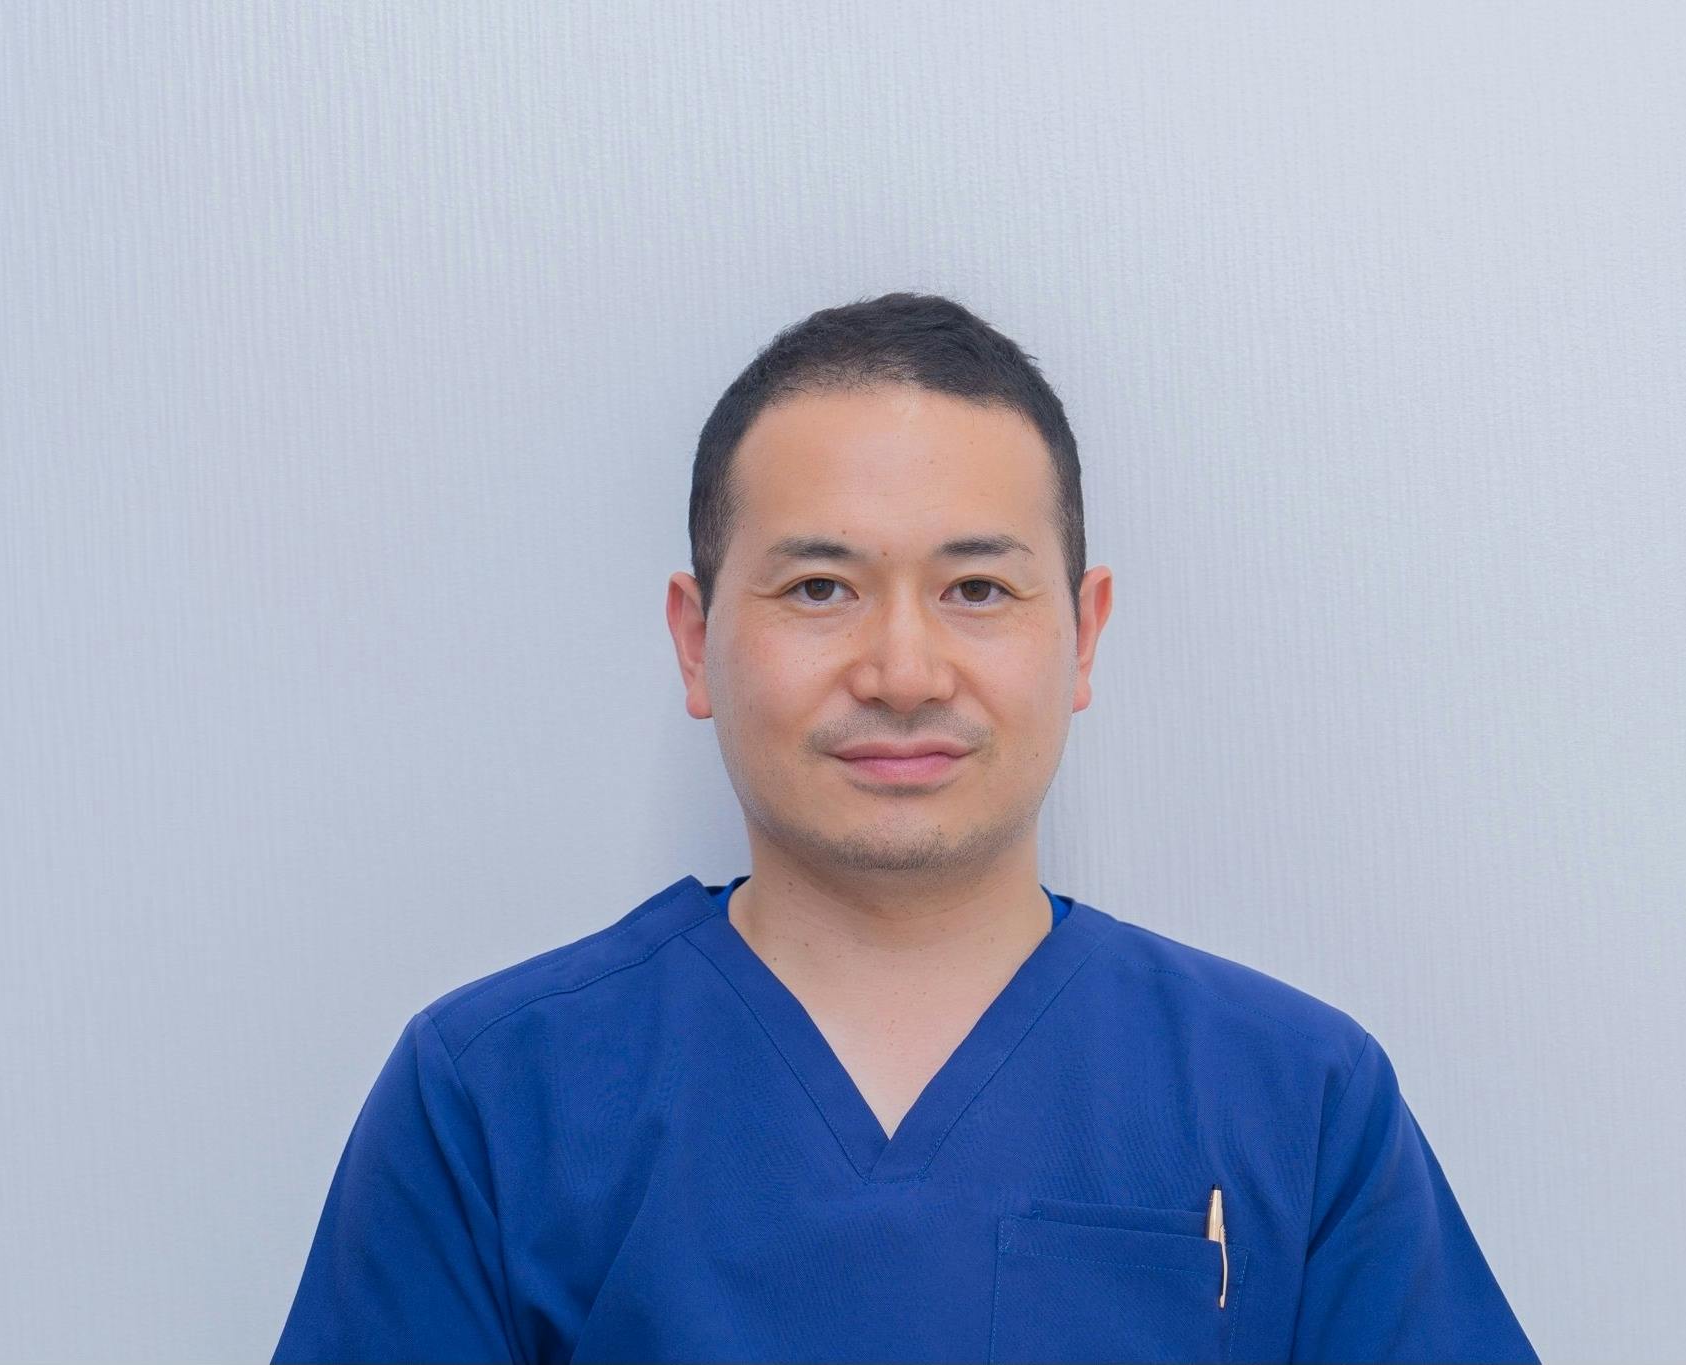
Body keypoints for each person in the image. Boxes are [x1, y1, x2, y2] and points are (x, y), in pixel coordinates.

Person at [272, 292, 1539, 1364]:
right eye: (819, 587)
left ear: (1083, 634)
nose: (902, 671)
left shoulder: (1296, 1099)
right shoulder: (494, 1100)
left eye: (975, 588)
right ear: (694, 639)